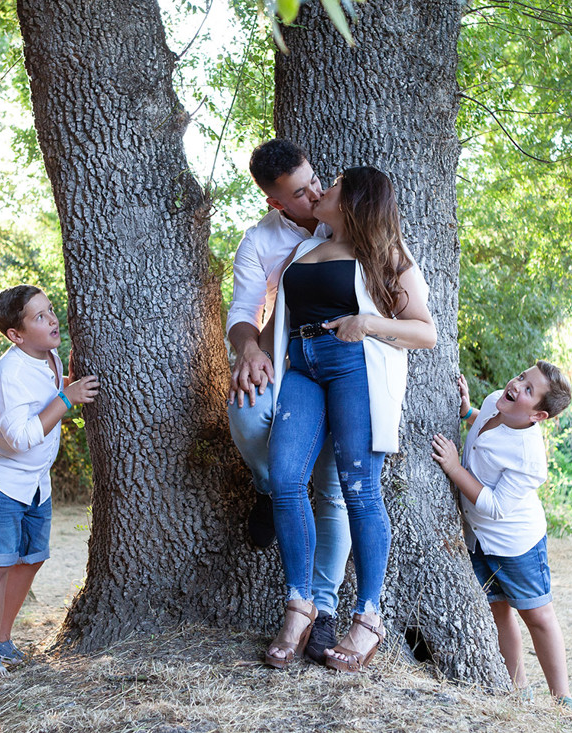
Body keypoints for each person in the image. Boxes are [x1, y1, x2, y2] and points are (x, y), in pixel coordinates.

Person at [261, 166, 436, 672]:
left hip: (353, 365)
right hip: (302, 365)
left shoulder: (386, 256)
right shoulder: (303, 250)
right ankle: (301, 603)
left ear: (355, 200)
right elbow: (280, 319)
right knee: (285, 478)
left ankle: (369, 615)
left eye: (333, 184)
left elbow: (426, 332)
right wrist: (253, 348)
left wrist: (368, 322)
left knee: (360, 487)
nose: (323, 189)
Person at [225, 139, 352, 662]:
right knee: (247, 408)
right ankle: (270, 486)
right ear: (276, 202)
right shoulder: (260, 241)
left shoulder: (345, 214)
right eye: (301, 193)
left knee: (334, 488)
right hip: (286, 362)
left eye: (315, 180)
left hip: (341, 366)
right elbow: (242, 311)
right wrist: (250, 348)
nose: (317, 192)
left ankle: (322, 611)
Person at [430, 363, 572, 713]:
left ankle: (562, 697)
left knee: (537, 615)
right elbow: (484, 431)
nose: (516, 385)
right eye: (521, 377)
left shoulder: (529, 457)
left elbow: (496, 507)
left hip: (517, 545)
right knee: (497, 610)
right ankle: (519, 688)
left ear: (538, 415)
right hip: (478, 540)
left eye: (529, 390)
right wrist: (467, 411)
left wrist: (454, 468)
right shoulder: (493, 402)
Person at [0, 285, 99, 683]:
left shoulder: (49, 357)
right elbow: (20, 437)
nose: (53, 319)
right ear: (15, 335)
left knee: (33, 556)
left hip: (35, 480)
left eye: (50, 310)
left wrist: (68, 385)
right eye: (39, 317)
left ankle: (2, 638)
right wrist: (67, 399)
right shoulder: (8, 374)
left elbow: (50, 393)